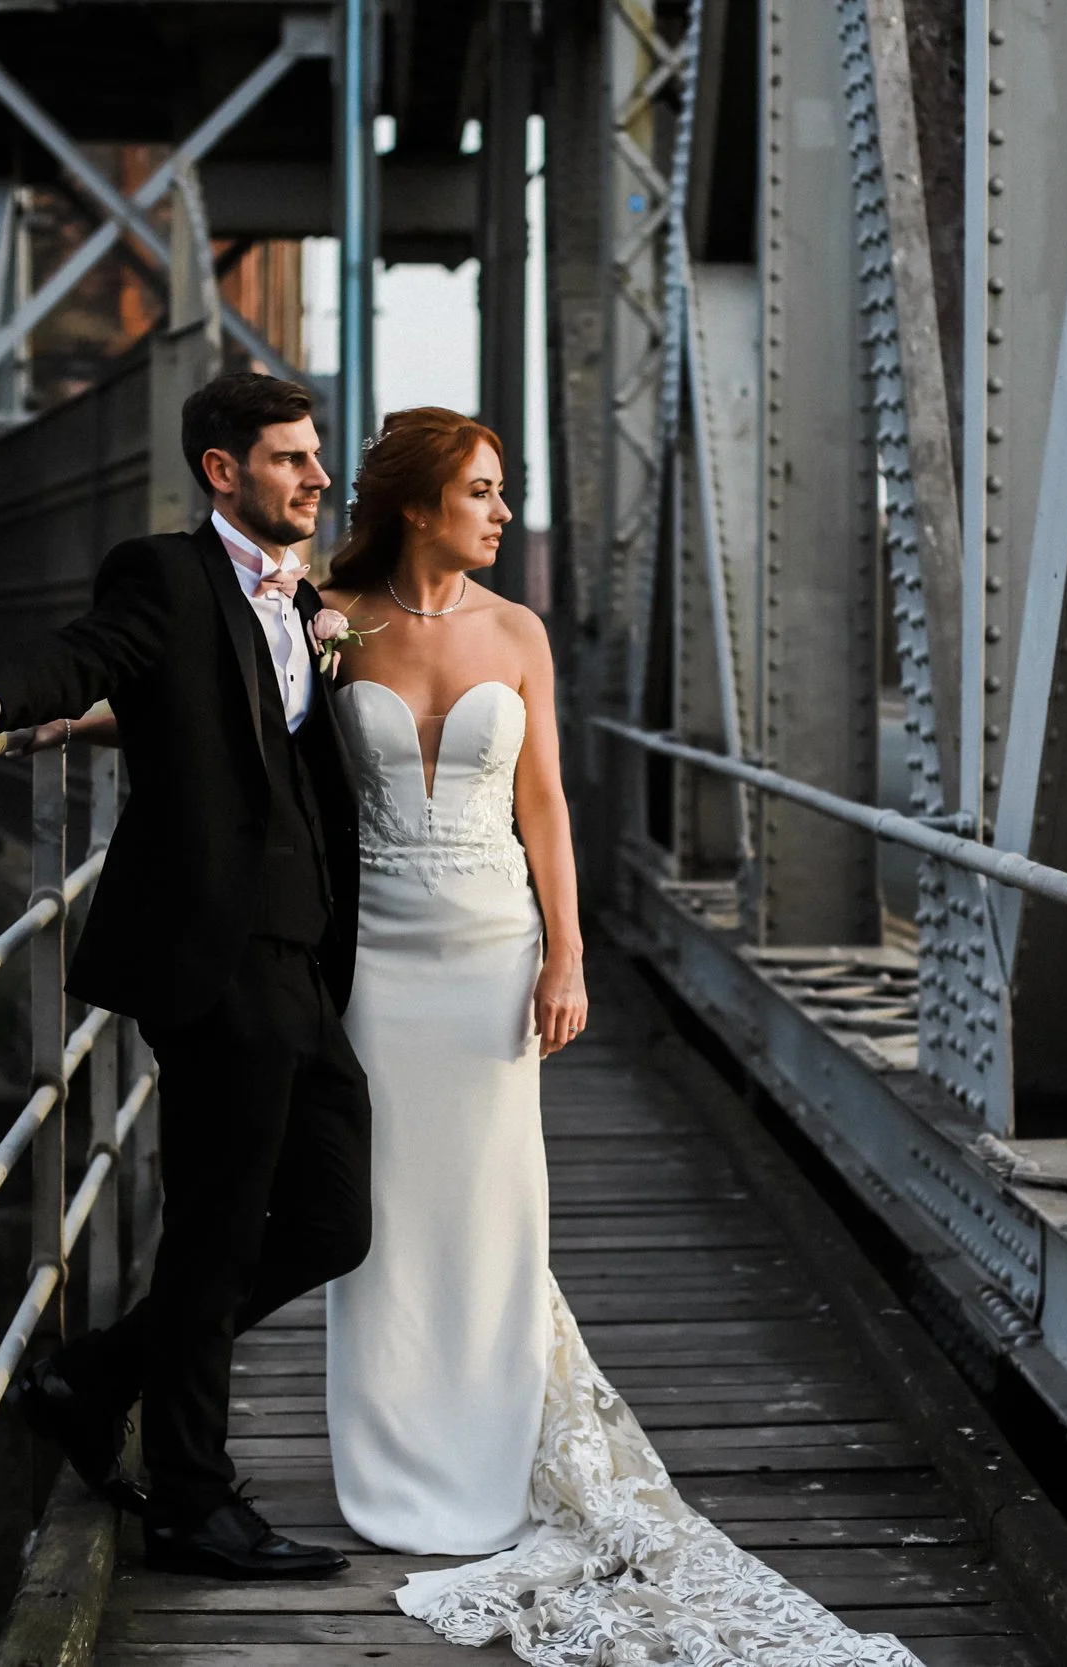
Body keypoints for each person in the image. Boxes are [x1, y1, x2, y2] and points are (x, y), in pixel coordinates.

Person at [317, 407, 919, 1665]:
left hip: (491, 952)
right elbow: (216, 715)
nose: (499, 511)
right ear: (419, 505)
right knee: (377, 1204)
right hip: (373, 959)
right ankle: (388, 1468)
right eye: (480, 492)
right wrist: (43, 718)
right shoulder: (332, 623)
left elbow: (546, 809)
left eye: (502, 491)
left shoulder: (517, 631)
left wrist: (568, 957)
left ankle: (483, 1462)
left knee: (493, 1208)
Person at [0, 372, 368, 1582]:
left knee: (332, 1218)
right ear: (223, 471)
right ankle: (190, 1501)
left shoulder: (303, 601)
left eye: (316, 456)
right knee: (217, 1233)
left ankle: (96, 1370)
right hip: (215, 956)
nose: (316, 477)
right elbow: (95, 654)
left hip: (302, 953)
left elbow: (222, 715)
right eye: (289, 458)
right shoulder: (164, 572)